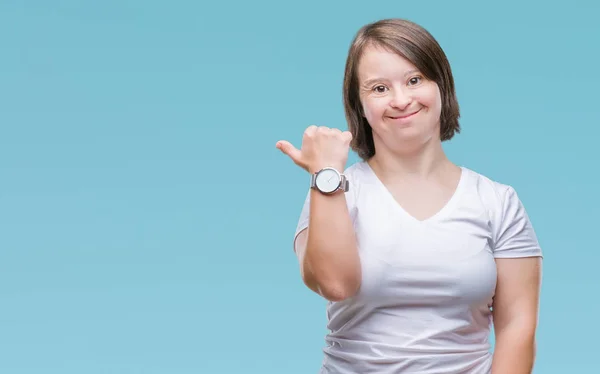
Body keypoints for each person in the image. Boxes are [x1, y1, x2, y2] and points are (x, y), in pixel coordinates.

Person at [275, 18, 543, 374]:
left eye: (414, 80)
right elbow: (335, 284)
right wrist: (326, 174)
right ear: (360, 104)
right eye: (379, 88)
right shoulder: (335, 191)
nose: (401, 100)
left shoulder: (498, 201)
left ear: (441, 86)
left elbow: (517, 329)